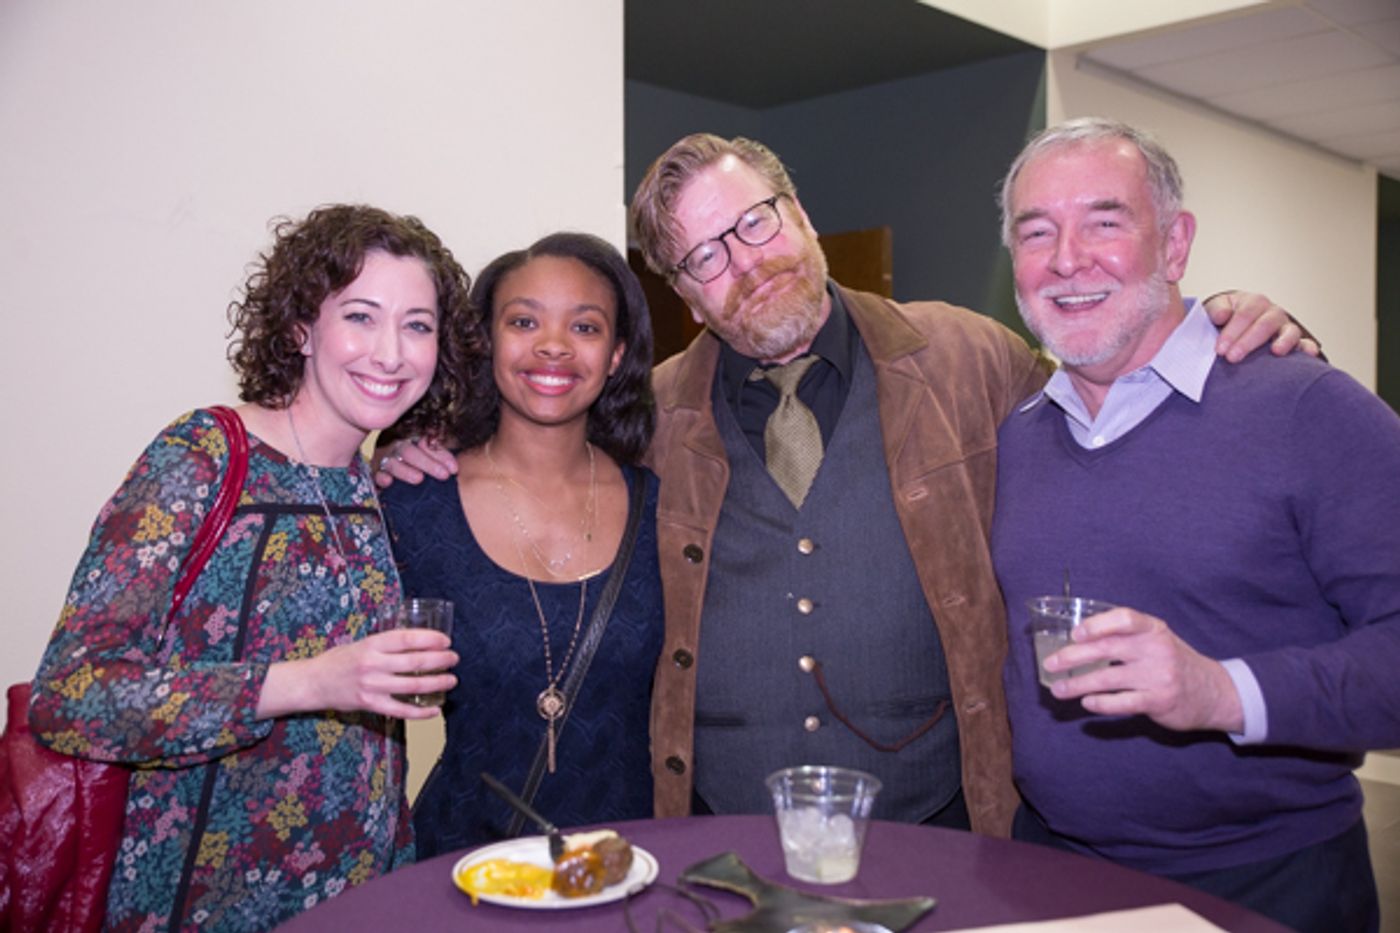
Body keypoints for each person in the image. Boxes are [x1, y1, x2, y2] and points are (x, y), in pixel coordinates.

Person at [382, 134, 1306, 836]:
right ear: (685, 296)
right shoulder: (654, 416)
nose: (746, 261)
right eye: (706, 257)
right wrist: (414, 439)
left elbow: (1116, 407)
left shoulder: (967, 356)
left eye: (756, 222)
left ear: (800, 213)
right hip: (720, 841)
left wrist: (1213, 327)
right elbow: (544, 446)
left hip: (945, 823)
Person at [991, 118, 1399, 931]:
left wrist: (1221, 691)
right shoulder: (1016, 432)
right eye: (1037, 232)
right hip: (1047, 868)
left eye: (1104, 221)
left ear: (1175, 245)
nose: (1068, 258)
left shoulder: (1308, 407)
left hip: (1268, 882)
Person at [28, 204, 469, 931]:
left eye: (418, 325)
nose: (391, 352)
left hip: (359, 898)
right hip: (202, 902)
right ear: (300, 327)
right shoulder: (204, 454)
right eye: (360, 316)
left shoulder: (370, 482)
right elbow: (71, 694)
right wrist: (308, 681)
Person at [381, 232, 663, 855]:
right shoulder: (413, 506)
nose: (554, 345)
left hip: (635, 867)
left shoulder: (665, 511)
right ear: (485, 342)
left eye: (585, 328)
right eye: (524, 320)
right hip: (461, 867)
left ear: (616, 354)